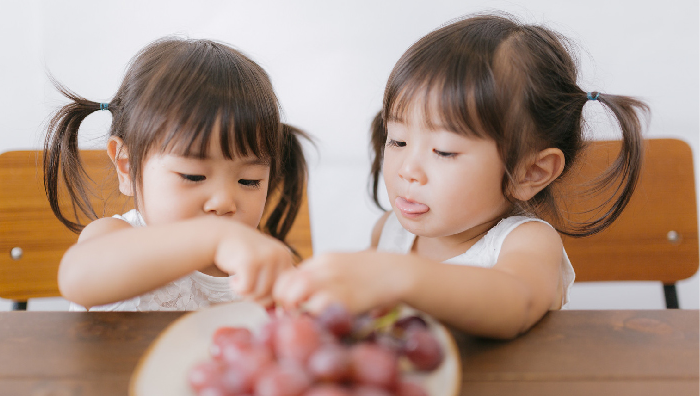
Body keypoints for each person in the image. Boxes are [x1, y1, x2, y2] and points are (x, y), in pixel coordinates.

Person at [273, 14, 648, 339]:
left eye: (444, 151)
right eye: (398, 140)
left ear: (530, 171)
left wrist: (397, 275)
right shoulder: (391, 233)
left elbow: (515, 301)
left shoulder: (527, 244)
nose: (407, 170)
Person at [43, 37, 309, 311]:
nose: (223, 202)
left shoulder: (254, 264)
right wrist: (213, 239)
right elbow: (77, 278)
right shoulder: (115, 237)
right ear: (127, 165)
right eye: (193, 176)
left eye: (248, 181)